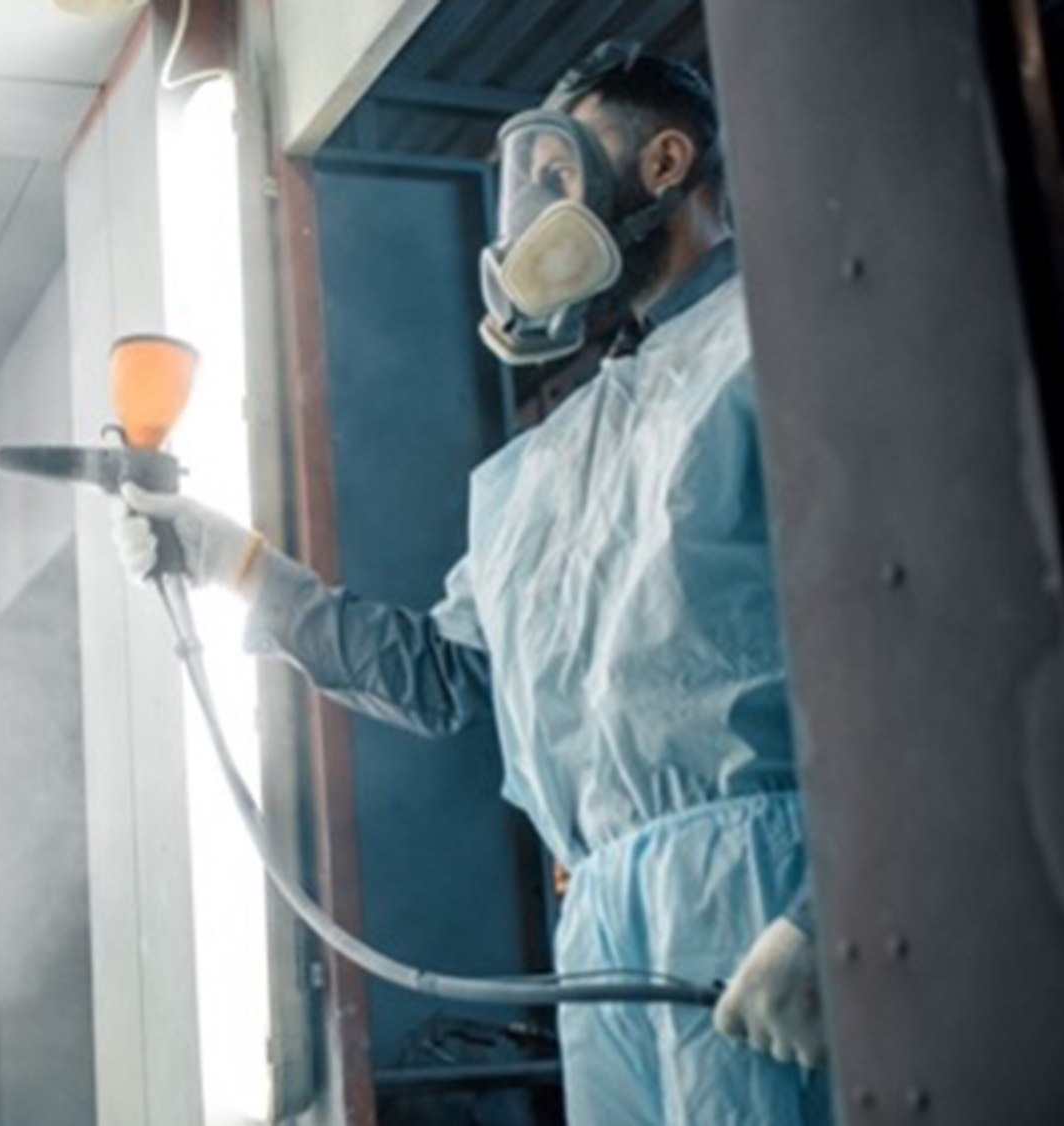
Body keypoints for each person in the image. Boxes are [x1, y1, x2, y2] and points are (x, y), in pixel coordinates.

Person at [114, 43, 830, 1124]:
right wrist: (237, 567)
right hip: (596, 933)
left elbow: (923, 632)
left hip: (760, 890)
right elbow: (442, 676)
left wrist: (834, 906)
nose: (533, 207)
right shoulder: (534, 468)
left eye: (555, 173)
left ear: (665, 160)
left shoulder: (783, 347)